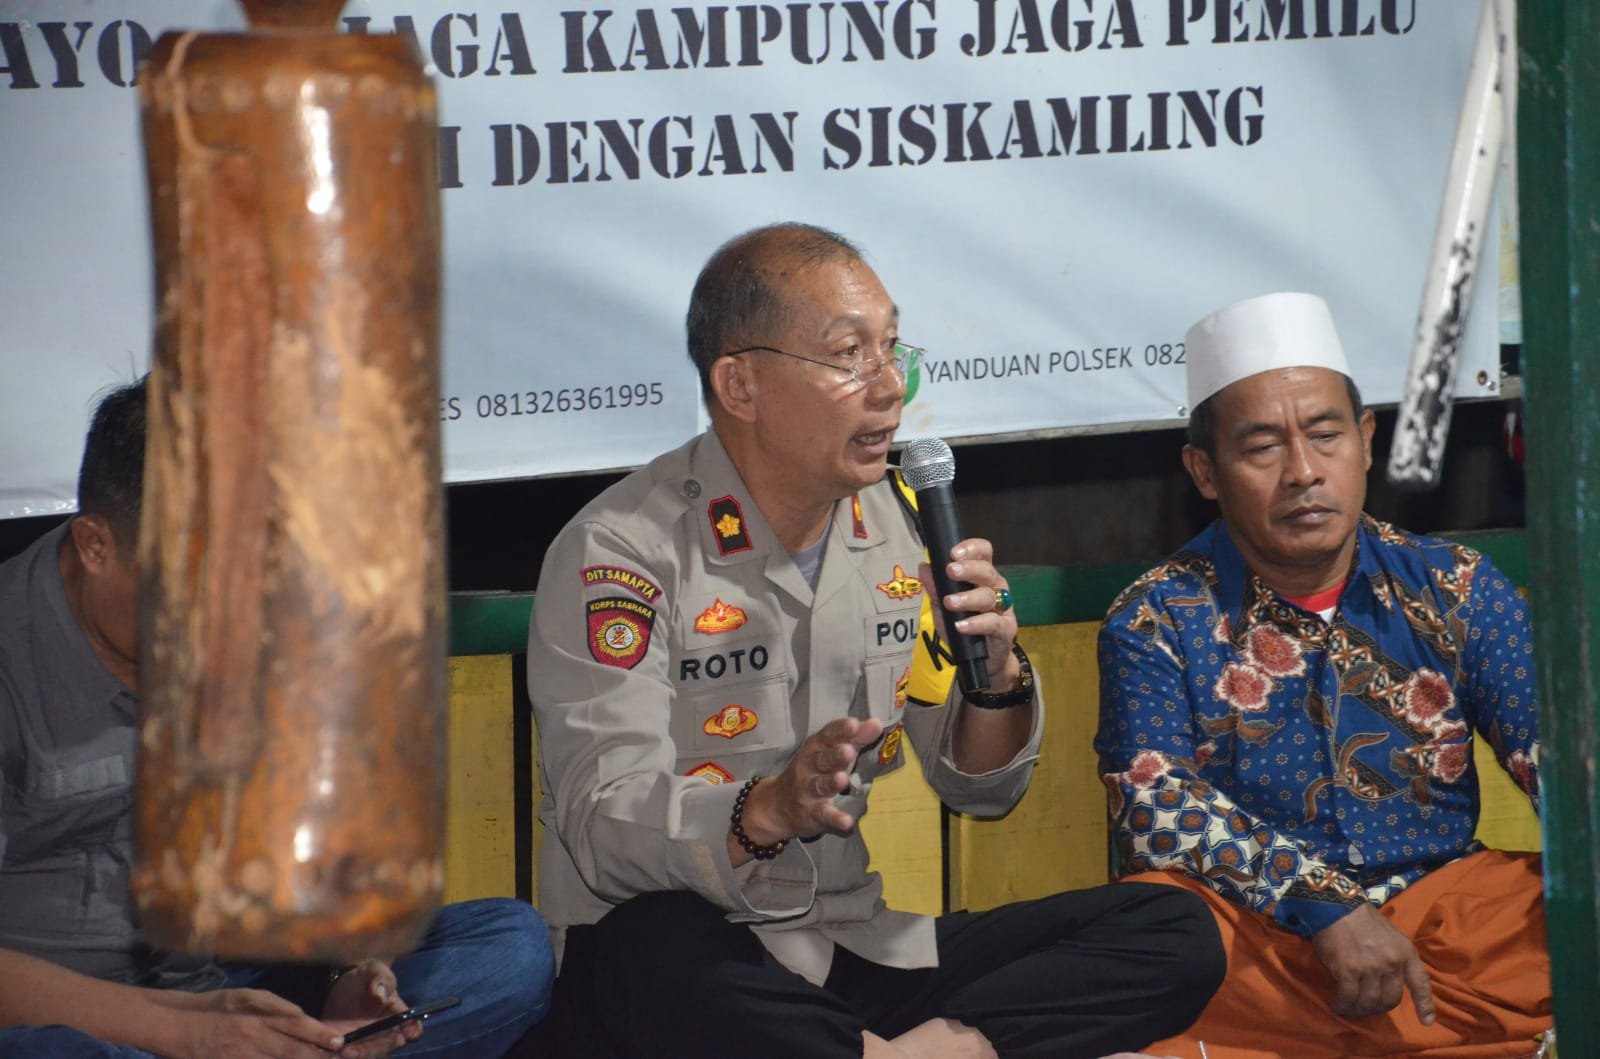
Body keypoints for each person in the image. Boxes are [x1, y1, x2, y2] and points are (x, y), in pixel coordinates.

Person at [527, 222, 1224, 1059]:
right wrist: (766, 808)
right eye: (849, 355)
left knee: (1173, 929)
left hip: (851, 945)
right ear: (740, 384)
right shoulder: (621, 549)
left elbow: (976, 788)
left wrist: (996, 676)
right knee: (654, 948)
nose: (891, 386)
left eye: (892, 348)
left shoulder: (896, 522)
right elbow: (602, 823)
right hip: (704, 958)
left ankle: (925, 1051)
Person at [0, 377, 556, 1059]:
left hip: (227, 984)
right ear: (96, 545)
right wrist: (186, 1030)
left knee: (509, 947)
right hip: (67, 1014)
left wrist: (349, 972)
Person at [1095, 292, 1551, 1059]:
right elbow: (1153, 804)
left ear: (1366, 440)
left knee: (1550, 909)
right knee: (1157, 930)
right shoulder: (1154, 617)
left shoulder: (1458, 587)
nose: (1304, 471)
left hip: (1446, 932)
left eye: (1325, 434)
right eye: (1263, 448)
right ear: (1205, 471)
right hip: (1265, 942)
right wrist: (1318, 899)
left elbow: (1561, 763)